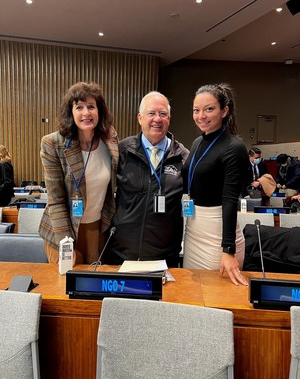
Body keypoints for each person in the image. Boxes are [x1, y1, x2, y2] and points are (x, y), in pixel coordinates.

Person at [104, 91, 189, 267]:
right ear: (140, 118)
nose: (157, 119)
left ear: (169, 119)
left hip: (165, 259)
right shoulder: (121, 152)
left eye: (163, 114)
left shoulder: (183, 157)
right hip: (120, 255)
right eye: (151, 113)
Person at [39, 82, 119, 264]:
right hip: (63, 229)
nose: (86, 113)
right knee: (64, 288)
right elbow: (56, 200)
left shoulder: (110, 138)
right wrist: (65, 244)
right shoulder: (53, 143)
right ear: (71, 112)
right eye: (79, 107)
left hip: (97, 228)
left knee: (91, 288)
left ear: (100, 111)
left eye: (91, 106)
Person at [182, 83, 249, 286]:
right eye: (196, 110)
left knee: (215, 295)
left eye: (209, 109)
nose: (201, 115)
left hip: (218, 234)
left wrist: (228, 250)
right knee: (191, 291)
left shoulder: (234, 147)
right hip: (193, 229)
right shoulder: (196, 143)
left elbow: (230, 200)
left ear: (224, 111)